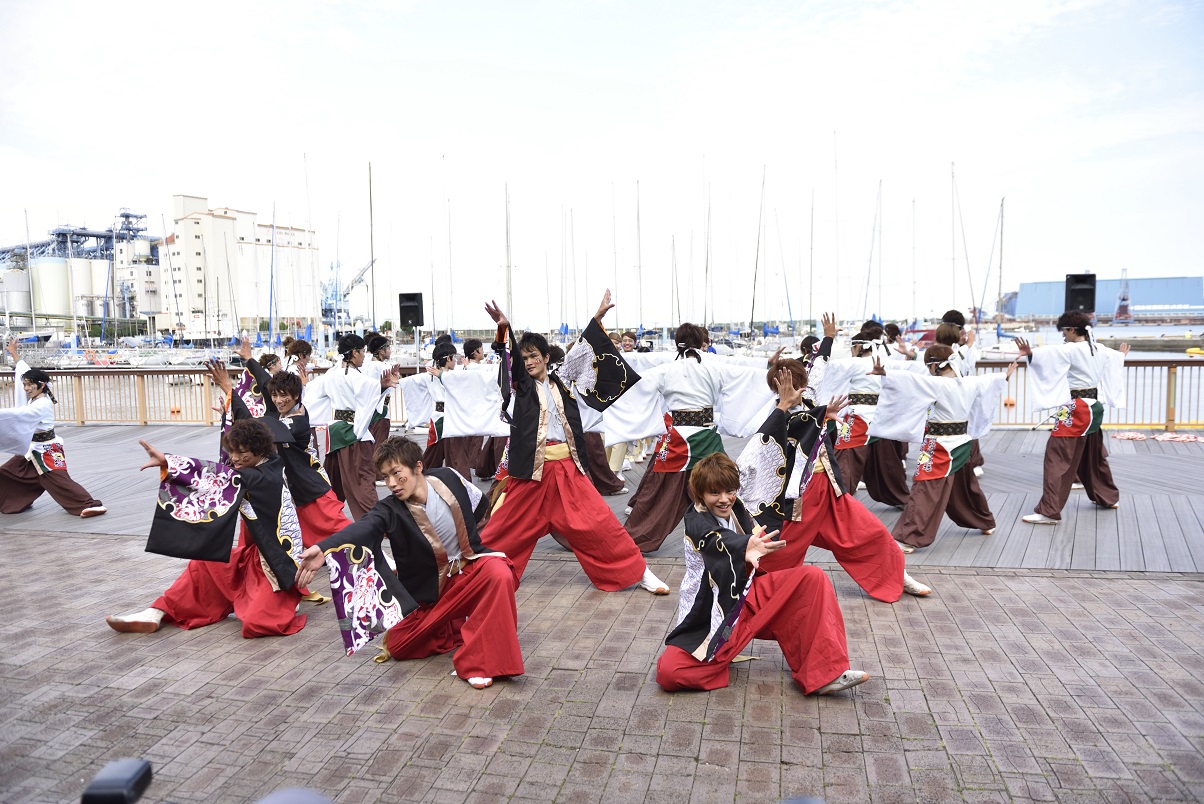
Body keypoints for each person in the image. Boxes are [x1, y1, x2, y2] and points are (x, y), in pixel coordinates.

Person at [479, 290, 670, 595]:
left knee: (600, 522)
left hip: (568, 469)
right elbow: (509, 359)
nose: (528, 361)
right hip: (532, 473)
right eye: (524, 357)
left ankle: (639, 572)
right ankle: (476, 577)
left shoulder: (564, 380)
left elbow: (584, 348)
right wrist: (504, 328)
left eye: (533, 356)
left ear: (545, 357)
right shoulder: (522, 387)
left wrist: (599, 315)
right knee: (502, 530)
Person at [297, 438, 523, 688]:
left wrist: (470, 545)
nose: (391, 483)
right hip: (431, 592)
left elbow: (478, 506)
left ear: (417, 467)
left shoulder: (448, 477)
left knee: (498, 573)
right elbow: (363, 528)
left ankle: (480, 663)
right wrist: (324, 548)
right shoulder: (390, 510)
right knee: (399, 645)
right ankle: (455, 626)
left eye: (396, 473)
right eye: (385, 477)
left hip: (468, 572)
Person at [654, 452, 869, 695]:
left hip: (747, 594)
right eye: (715, 493)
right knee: (669, 673)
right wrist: (743, 545)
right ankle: (719, 659)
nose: (724, 499)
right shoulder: (696, 520)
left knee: (812, 578)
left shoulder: (737, 505)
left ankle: (826, 675)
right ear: (700, 494)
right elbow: (713, 539)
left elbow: (761, 451)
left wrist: (788, 413)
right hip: (713, 610)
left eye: (729, 491)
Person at [738, 359, 931, 600]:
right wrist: (818, 414)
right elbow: (791, 427)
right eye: (789, 385)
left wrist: (828, 339)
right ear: (777, 387)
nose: (797, 389)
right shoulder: (776, 415)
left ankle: (896, 574)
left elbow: (818, 371)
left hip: (829, 489)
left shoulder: (809, 404)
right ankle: (745, 584)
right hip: (799, 498)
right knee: (781, 551)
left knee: (871, 532)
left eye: (799, 384)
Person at [105, 420, 306, 637]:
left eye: (242, 453)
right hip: (258, 557)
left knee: (258, 623)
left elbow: (219, 478)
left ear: (258, 451)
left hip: (278, 568)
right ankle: (156, 611)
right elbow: (223, 474)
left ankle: (285, 600)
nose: (235, 458)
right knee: (203, 564)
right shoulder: (269, 463)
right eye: (232, 452)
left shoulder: (261, 477)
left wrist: (168, 462)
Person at [623, 322, 772, 552]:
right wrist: (770, 367)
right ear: (701, 341)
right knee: (724, 486)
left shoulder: (667, 369)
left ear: (677, 343)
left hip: (678, 439)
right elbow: (746, 374)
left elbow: (633, 382)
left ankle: (633, 540)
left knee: (660, 493)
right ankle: (744, 540)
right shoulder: (714, 366)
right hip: (706, 435)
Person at [869, 347, 1016, 549]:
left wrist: (886, 374)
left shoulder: (936, 384)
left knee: (925, 489)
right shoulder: (970, 382)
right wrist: (1004, 376)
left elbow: (909, 381)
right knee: (965, 486)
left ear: (933, 365)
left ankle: (909, 536)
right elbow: (990, 381)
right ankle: (984, 521)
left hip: (940, 446)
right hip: (963, 443)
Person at [213, 340, 351, 550]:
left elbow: (256, 430)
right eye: (275, 395)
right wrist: (250, 359)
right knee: (266, 540)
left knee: (344, 538)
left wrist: (228, 388)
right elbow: (264, 380)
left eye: (284, 395)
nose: (278, 400)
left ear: (296, 395)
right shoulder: (281, 410)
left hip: (310, 488)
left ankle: (382, 562)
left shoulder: (295, 422)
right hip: (287, 489)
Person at [1016, 312, 1128, 524]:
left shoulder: (1071, 349)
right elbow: (1115, 359)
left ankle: (1049, 511)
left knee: (1056, 458)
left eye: (1064, 331)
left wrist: (1030, 353)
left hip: (1076, 410)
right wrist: (1121, 355)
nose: (1063, 336)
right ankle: (1107, 497)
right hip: (1094, 408)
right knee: (1092, 457)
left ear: (1072, 329)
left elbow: (1048, 355)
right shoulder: (1099, 348)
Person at [0, 337, 106, 518]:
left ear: (41, 385)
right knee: (6, 473)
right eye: (24, 384)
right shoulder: (40, 391)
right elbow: (24, 369)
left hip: (46, 451)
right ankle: (15, 501)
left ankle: (91, 505)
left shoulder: (41, 405)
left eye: (29, 385)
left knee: (58, 480)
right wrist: (14, 354)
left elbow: (19, 416)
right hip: (31, 450)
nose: (25, 388)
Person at [303, 334, 398, 520]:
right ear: (354, 353)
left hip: (335, 432)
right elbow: (370, 392)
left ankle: (323, 519)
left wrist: (306, 384)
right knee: (363, 479)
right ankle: (374, 522)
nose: (364, 355)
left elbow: (313, 392)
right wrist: (382, 386)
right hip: (352, 433)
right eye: (362, 351)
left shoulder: (331, 374)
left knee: (333, 483)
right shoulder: (354, 376)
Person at [825, 321, 912, 510]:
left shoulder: (855, 363)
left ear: (858, 346)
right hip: (881, 417)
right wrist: (911, 354)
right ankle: (901, 497)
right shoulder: (887, 362)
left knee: (845, 460)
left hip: (860, 418)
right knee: (887, 462)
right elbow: (913, 374)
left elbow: (823, 368)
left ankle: (836, 502)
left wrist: (827, 340)